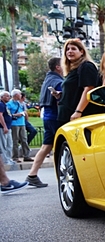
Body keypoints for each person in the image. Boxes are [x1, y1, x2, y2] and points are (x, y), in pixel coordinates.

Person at [24, 57, 64, 188]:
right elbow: (61, 102)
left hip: (47, 117)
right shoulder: (58, 81)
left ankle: (32, 175)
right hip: (56, 117)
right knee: (62, 147)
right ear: (58, 67)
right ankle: (64, 177)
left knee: (46, 146)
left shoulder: (48, 80)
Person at [57, 38, 105, 124]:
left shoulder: (86, 66)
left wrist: (78, 111)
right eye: (67, 49)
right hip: (68, 114)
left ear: (82, 51)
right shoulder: (72, 71)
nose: (70, 51)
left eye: (73, 49)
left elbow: (89, 89)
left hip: (79, 116)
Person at [6, 89, 32, 162]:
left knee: (24, 139)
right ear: (16, 95)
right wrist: (17, 115)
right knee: (15, 140)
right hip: (14, 124)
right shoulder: (9, 104)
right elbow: (8, 115)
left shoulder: (20, 103)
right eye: (20, 94)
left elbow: (24, 111)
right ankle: (15, 157)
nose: (21, 95)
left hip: (22, 123)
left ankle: (26, 155)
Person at [0, 91, 15, 167]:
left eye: (9, 96)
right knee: (4, 144)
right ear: (2, 97)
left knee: (10, 144)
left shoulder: (5, 105)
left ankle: (9, 158)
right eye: (6, 96)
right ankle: (5, 160)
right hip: (3, 128)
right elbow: (0, 116)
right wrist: (4, 126)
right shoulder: (1, 104)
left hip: (8, 127)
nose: (8, 97)